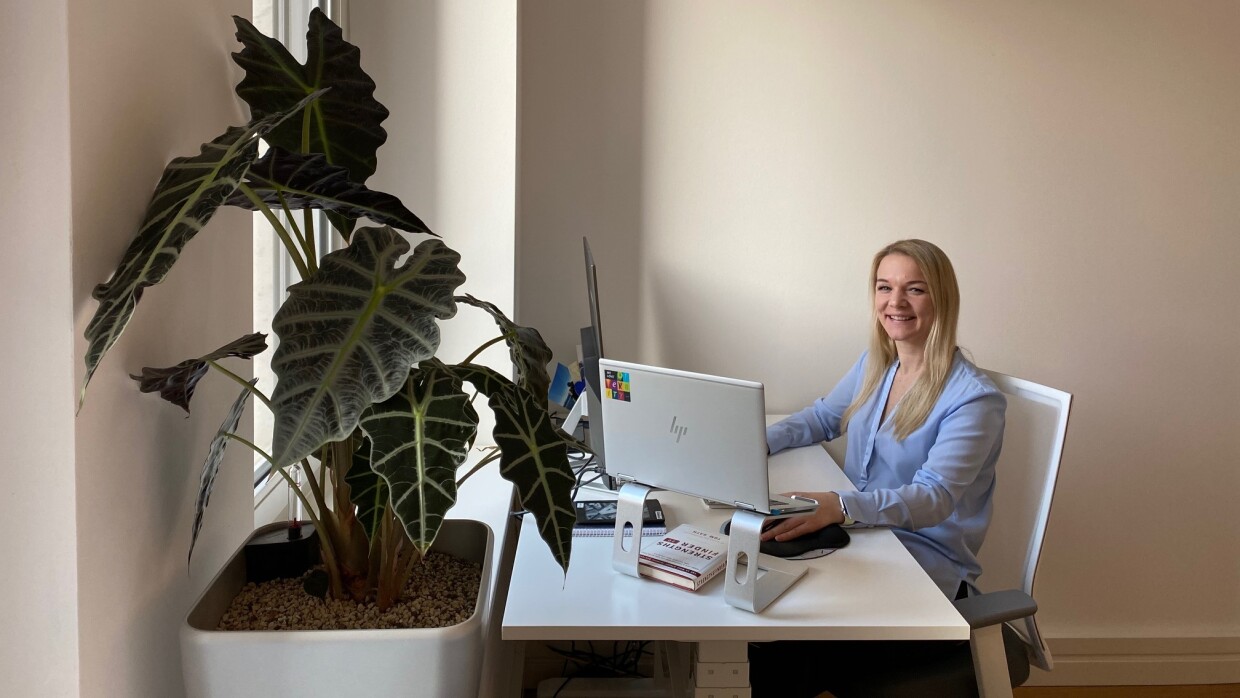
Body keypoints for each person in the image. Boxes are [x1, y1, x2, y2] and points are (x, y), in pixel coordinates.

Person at [749, 239, 1006, 697]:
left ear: (942, 298)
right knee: (757, 597)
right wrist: (750, 443)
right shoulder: (877, 364)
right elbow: (824, 417)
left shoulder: (972, 399)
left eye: (915, 290)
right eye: (884, 287)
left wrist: (842, 507)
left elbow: (934, 497)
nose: (896, 302)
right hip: (864, 540)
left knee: (781, 653)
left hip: (920, 569)